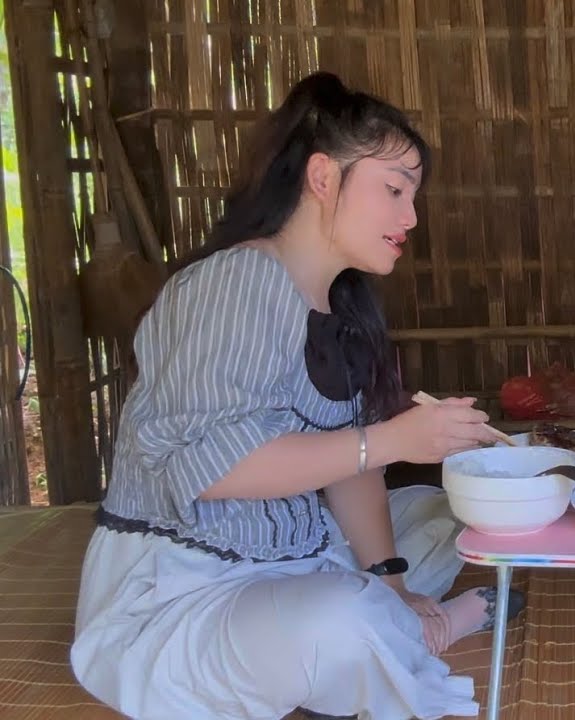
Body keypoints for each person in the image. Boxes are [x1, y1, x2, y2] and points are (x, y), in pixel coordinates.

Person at [70, 72, 524, 720]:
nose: (410, 216)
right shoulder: (238, 283)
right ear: (322, 178)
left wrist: (390, 580)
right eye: (394, 190)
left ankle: (394, 618)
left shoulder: (336, 304)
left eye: (413, 195)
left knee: (441, 515)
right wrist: (393, 439)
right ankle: (423, 630)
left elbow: (351, 464)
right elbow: (212, 467)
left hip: (284, 562)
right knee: (336, 621)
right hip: (182, 591)